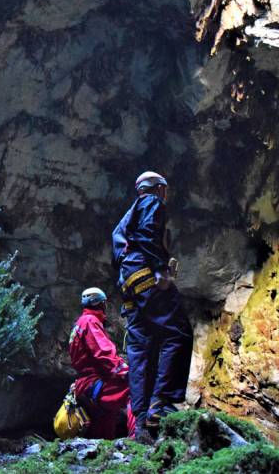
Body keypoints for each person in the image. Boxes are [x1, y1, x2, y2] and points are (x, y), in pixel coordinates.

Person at [112, 171, 193, 442]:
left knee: (141, 349)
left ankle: (141, 424)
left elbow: (119, 253)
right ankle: (162, 404)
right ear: (159, 189)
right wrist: (159, 268)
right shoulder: (151, 202)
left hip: (129, 285)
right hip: (146, 274)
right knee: (177, 331)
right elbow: (148, 235)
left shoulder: (125, 219)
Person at [68, 287, 136, 439]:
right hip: (94, 381)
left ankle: (100, 448)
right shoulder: (90, 321)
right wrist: (125, 371)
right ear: (100, 303)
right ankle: (137, 438)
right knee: (135, 389)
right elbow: (103, 352)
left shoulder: (80, 323)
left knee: (105, 415)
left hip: (85, 384)